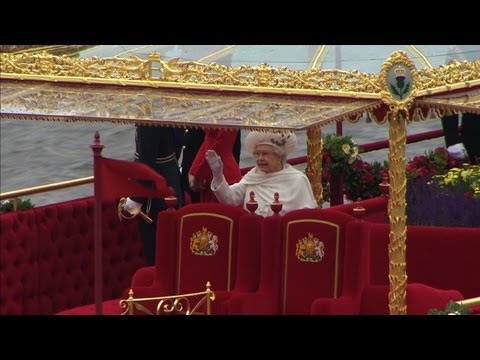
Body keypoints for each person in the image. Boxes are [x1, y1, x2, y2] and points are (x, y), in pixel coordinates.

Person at [205, 130, 317, 216]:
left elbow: (307, 217)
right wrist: (218, 174)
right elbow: (230, 199)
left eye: (265, 154)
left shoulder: (297, 180)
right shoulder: (253, 176)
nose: (260, 158)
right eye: (257, 154)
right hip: (254, 234)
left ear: (279, 156)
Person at [121, 125, 185, 265]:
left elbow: (146, 161)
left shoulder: (148, 120)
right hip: (171, 181)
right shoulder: (165, 111)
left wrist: (135, 200)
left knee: (156, 255)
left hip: (154, 193)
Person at [176, 128, 242, 203]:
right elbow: (208, 139)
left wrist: (199, 176)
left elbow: (220, 146)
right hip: (207, 174)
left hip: (224, 174)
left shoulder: (230, 117)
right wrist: (193, 172)